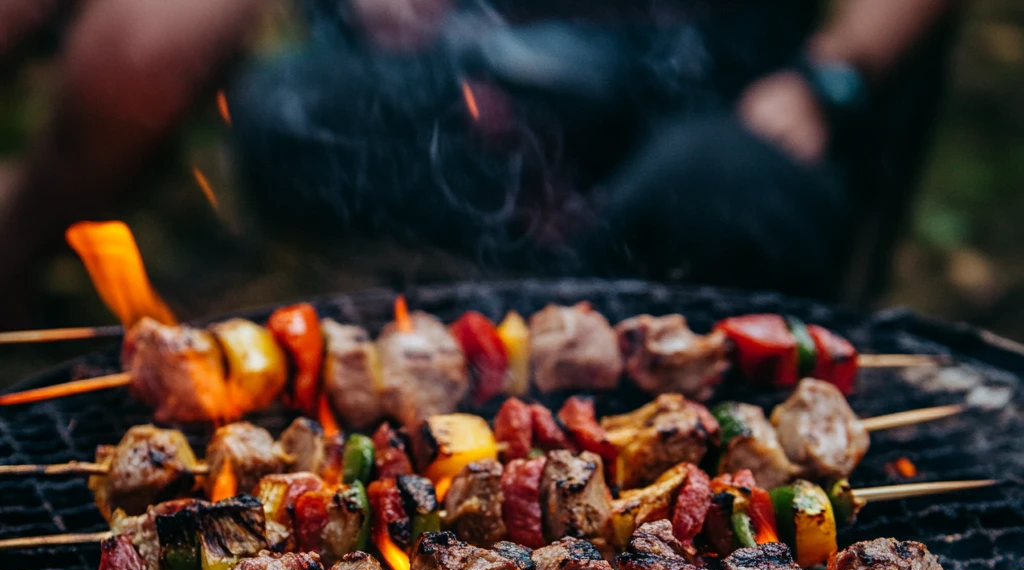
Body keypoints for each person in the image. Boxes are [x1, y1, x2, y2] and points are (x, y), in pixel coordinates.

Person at [0, 0, 956, 317]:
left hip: (718, 99)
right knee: (291, 117)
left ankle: (592, 359)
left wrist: (829, 79)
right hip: (502, 83)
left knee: (724, 197)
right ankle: (499, 349)